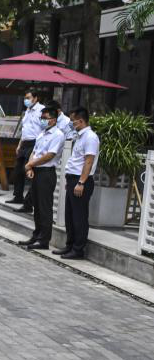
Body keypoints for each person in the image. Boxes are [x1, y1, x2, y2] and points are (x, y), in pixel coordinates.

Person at [19, 101, 65, 251]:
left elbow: (49, 155)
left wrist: (31, 164)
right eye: (41, 118)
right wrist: (30, 167)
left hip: (46, 173)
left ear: (53, 119)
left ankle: (44, 240)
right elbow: (35, 151)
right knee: (37, 207)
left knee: (45, 207)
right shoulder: (41, 134)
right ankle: (36, 235)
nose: (42, 120)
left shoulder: (58, 135)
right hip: (36, 171)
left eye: (45, 118)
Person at [56, 107, 99, 260]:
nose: (71, 124)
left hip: (82, 180)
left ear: (80, 121)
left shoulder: (90, 137)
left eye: (73, 121)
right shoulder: (80, 136)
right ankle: (70, 245)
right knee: (69, 215)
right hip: (73, 179)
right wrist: (71, 181)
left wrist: (81, 182)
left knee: (79, 217)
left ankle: (78, 249)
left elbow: (88, 161)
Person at [8, 89, 46, 208]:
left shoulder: (42, 110)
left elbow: (44, 128)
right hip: (24, 143)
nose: (26, 100)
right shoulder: (27, 111)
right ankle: (18, 196)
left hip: (35, 143)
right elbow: (25, 129)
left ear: (35, 98)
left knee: (29, 171)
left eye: (28, 98)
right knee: (18, 171)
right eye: (25, 98)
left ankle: (29, 203)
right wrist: (19, 144)